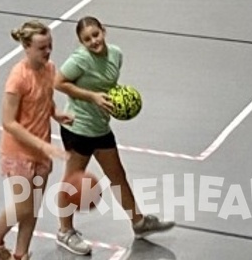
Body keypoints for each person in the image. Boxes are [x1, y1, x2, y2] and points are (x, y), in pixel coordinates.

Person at [53, 16, 174, 255]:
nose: (93, 41)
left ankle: (138, 223)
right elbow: (59, 83)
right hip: (78, 128)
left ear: (104, 32)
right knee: (73, 182)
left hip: (100, 127)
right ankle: (64, 231)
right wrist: (92, 97)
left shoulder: (116, 54)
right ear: (81, 42)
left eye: (96, 35)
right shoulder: (80, 60)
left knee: (118, 175)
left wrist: (120, 101)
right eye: (87, 39)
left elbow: (107, 84)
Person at [0, 21, 71, 260]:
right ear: (27, 48)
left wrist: (55, 113)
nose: (48, 51)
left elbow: (45, 98)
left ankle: (21, 255)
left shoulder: (49, 69)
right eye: (42, 48)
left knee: (32, 210)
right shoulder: (17, 79)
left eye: (50, 45)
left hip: (41, 153)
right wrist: (42, 144)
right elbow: (8, 122)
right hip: (18, 153)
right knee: (21, 207)